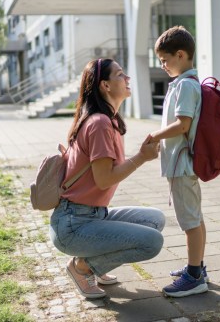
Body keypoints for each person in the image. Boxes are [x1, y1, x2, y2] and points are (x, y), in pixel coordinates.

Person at [49, 58, 165, 299]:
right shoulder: (100, 123)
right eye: (121, 74)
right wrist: (142, 157)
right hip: (74, 225)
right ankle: (82, 268)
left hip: (92, 215)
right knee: (152, 242)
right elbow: (104, 180)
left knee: (155, 220)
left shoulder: (106, 120)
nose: (128, 78)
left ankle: (95, 263)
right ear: (105, 85)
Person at [148, 26, 207, 298]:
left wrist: (155, 135)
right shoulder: (185, 83)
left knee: (190, 222)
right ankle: (198, 268)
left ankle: (194, 276)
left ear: (180, 55)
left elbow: (183, 125)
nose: (163, 66)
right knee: (194, 218)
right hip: (182, 164)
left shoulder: (185, 85)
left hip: (182, 166)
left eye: (164, 60)